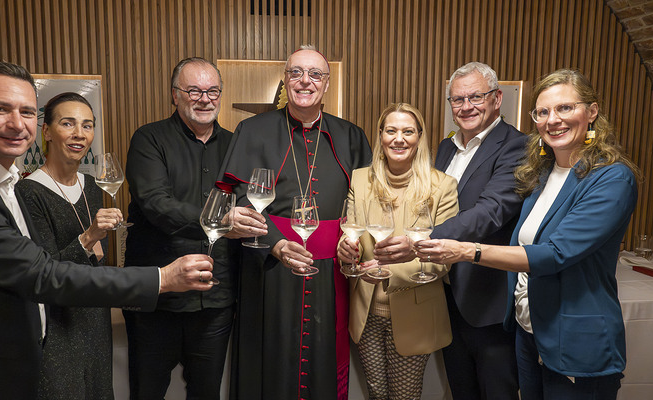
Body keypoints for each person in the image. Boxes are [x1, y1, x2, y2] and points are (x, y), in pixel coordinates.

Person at [0, 61, 213, 400]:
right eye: (0, 109)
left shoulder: (0, 182)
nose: (16, 123)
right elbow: (43, 274)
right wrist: (161, 278)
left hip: (23, 358)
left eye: (26, 112)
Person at [417, 69, 638, 399]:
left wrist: (466, 251)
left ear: (591, 112)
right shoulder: (541, 173)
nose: (553, 120)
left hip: (575, 336)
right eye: (543, 112)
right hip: (527, 328)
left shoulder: (612, 178)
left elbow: (554, 254)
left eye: (565, 108)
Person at [217, 45, 372, 399]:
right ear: (285, 81)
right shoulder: (253, 130)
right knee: (270, 359)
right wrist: (276, 243)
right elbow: (239, 198)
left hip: (331, 273)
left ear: (327, 84)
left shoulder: (350, 135)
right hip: (269, 269)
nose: (305, 81)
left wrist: (352, 242)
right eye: (296, 73)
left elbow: (365, 202)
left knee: (322, 359)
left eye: (315, 74)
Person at [122, 57, 267, 399]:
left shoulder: (237, 144)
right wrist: (221, 220)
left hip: (215, 300)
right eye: (194, 90)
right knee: (147, 392)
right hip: (157, 298)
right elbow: (156, 204)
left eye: (213, 90)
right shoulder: (149, 139)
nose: (205, 99)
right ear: (175, 95)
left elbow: (250, 203)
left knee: (206, 393)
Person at [336, 103, 458, 399]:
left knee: (405, 396)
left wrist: (388, 270)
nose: (398, 139)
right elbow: (349, 231)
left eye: (408, 131)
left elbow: (443, 259)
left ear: (420, 137)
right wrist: (345, 248)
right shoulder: (360, 180)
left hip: (415, 314)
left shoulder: (442, 187)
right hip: (366, 312)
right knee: (376, 394)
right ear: (380, 136)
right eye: (391, 130)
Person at [432, 61, 526, 399]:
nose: (466, 106)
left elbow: (491, 212)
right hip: (446, 297)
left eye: (476, 97)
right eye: (457, 100)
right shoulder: (446, 147)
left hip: (487, 302)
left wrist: (424, 237)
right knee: (461, 392)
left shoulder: (517, 146)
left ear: (497, 98)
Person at [16, 92, 118, 399]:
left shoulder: (92, 186)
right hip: (58, 327)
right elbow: (45, 273)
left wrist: (96, 244)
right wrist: (88, 238)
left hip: (97, 318)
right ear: (45, 131)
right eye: (68, 123)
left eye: (87, 126)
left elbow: (99, 260)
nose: (79, 134)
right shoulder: (28, 191)